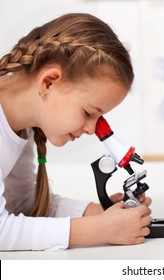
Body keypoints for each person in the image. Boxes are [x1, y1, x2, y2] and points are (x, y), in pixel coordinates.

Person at [0, 13, 152, 251]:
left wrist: (99, 213)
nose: (92, 129)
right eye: (89, 112)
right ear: (49, 82)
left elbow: (23, 203)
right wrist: (100, 229)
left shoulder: (22, 127)